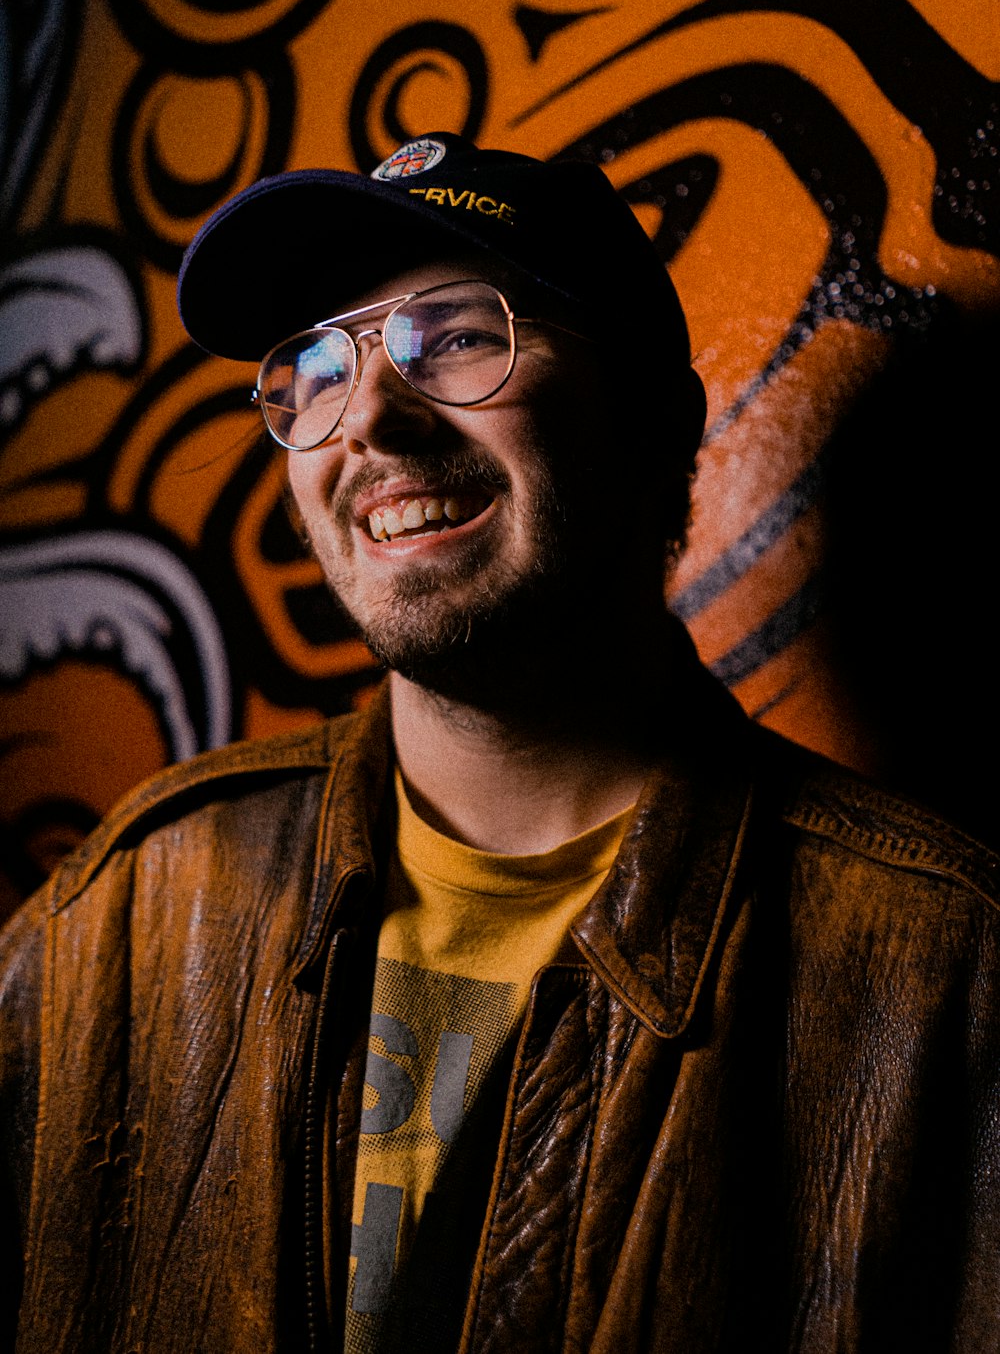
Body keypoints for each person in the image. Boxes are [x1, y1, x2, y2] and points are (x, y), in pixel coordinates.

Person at [1, 133, 999, 1354]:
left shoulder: (943, 972)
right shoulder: (136, 905)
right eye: (314, 366)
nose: (366, 413)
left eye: (459, 334)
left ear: (653, 416)